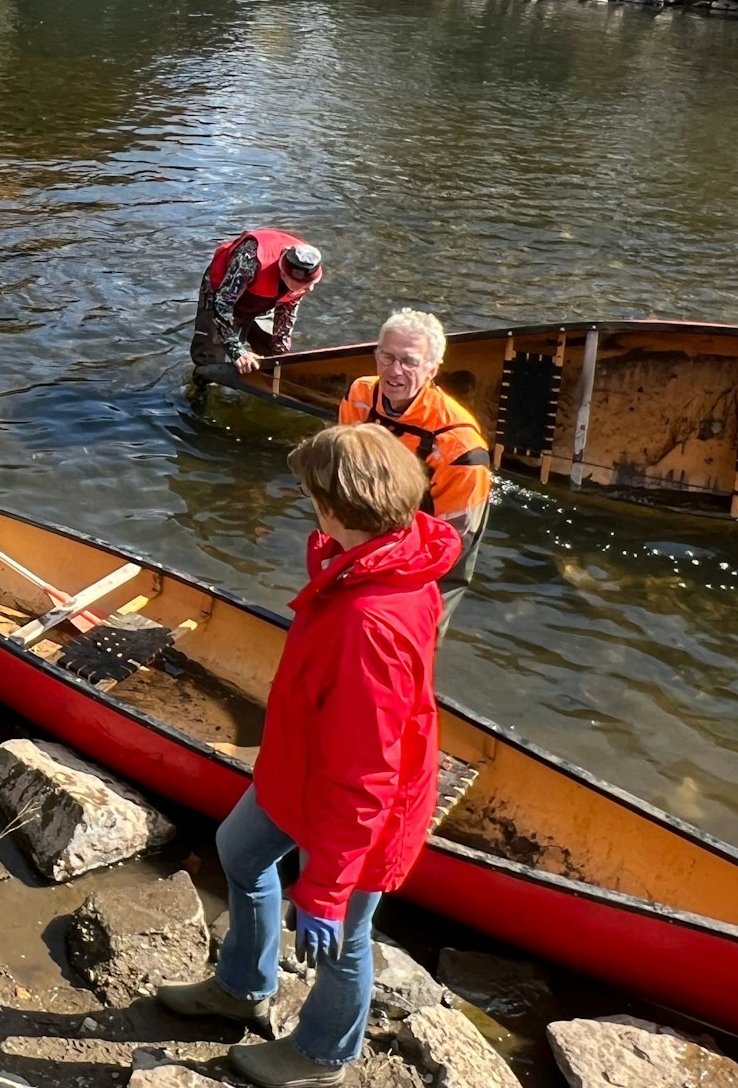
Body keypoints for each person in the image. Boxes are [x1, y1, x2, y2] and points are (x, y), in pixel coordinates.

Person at [155, 423, 458, 1088]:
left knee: (344, 934)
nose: (305, 504)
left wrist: (324, 886)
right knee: (239, 847)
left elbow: (365, 774)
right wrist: (331, 551)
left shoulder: (369, 624)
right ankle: (242, 983)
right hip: (300, 767)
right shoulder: (390, 554)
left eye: (310, 494)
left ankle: (322, 1056)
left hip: (356, 804)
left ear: (335, 506)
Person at [337, 309, 491, 624]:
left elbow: (449, 545)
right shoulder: (360, 394)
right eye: (386, 357)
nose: (394, 371)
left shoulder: (461, 448)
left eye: (409, 362)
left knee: (420, 614)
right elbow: (345, 469)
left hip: (443, 516)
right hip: (382, 498)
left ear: (433, 369)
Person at [191, 228, 323, 377]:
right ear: (284, 274)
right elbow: (222, 304)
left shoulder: (307, 263)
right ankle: (201, 387)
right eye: (304, 285)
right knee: (211, 353)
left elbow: (287, 315)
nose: (310, 289)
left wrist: (281, 357)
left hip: (262, 298)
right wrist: (237, 351)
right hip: (221, 292)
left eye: (313, 283)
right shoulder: (250, 260)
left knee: (269, 348)